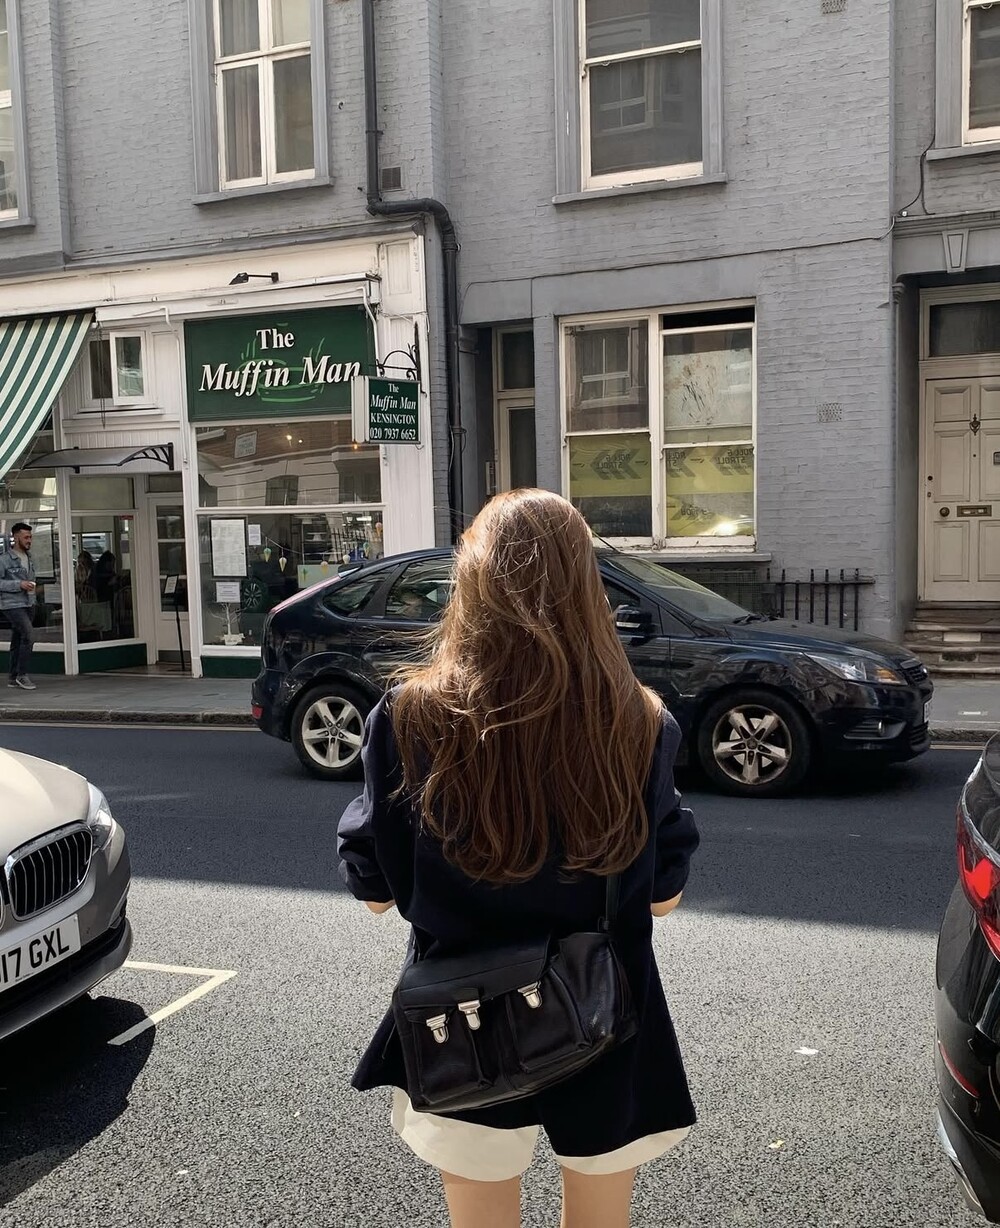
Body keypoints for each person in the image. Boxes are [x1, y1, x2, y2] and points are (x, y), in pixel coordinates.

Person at [337, 489, 699, 1228]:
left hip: (461, 1016)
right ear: (587, 585)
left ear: (470, 584)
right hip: (606, 1011)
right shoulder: (639, 720)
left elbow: (375, 892)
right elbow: (662, 898)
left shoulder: (409, 717)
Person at [0, 522, 38, 690]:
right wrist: (19, 584)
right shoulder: (4, 560)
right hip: (12, 604)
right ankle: (22, 675)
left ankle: (13, 677)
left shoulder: (29, 558)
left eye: (30, 537)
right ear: (16, 537)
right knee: (29, 635)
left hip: (29, 602)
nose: (29, 540)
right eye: (26, 537)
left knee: (18, 638)